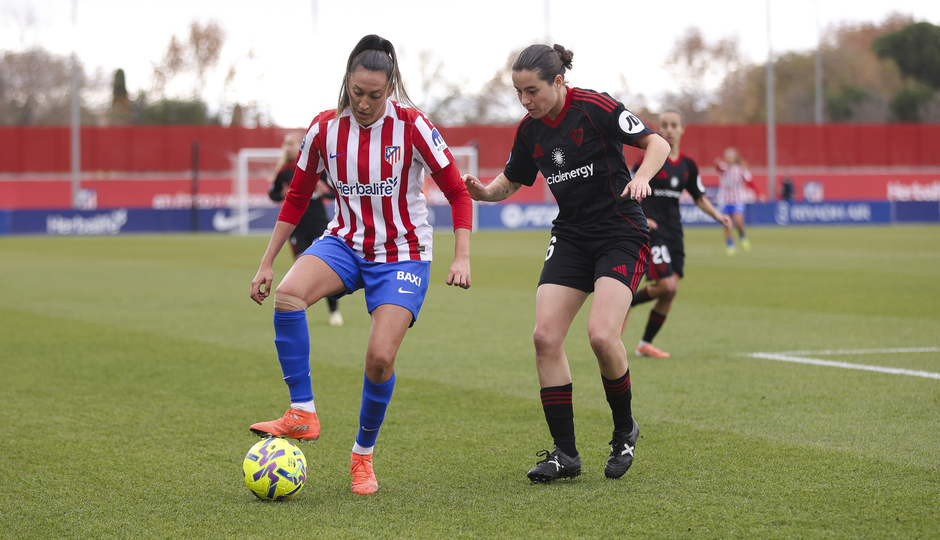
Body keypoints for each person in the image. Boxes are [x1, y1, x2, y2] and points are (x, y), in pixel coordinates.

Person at [249, 34, 473, 495]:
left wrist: (462, 255)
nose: (365, 103)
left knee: (379, 358)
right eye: (357, 93)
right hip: (345, 242)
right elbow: (295, 196)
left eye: (375, 95)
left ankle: (362, 456)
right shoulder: (324, 129)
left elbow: (457, 190)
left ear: (390, 88)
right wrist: (267, 262)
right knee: (289, 296)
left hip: (404, 253)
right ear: (346, 84)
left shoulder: (413, 126)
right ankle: (302, 412)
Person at [463, 43, 669, 483]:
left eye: (532, 90)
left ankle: (623, 430)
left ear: (558, 81)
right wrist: (483, 192)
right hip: (572, 237)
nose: (525, 101)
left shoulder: (594, 107)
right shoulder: (529, 130)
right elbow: (511, 181)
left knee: (600, 335)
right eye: (518, 92)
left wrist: (642, 177)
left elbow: (657, 142)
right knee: (545, 336)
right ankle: (565, 454)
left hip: (619, 233)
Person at [627, 110, 732, 358]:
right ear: (658, 129)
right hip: (653, 231)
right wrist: (641, 217)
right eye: (664, 125)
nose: (669, 130)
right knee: (666, 284)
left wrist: (718, 216)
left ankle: (644, 344)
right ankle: (628, 301)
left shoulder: (687, 165)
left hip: (675, 232)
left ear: (683, 129)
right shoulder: (648, 160)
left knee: (671, 291)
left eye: (674, 125)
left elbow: (698, 198)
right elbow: (632, 190)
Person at [268, 132, 343, 326]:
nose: (287, 147)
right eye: (285, 143)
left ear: (302, 145)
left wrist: (324, 192)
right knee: (303, 268)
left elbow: (338, 192)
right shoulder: (284, 172)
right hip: (297, 228)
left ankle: (334, 311)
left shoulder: (317, 168)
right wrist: (282, 194)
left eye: (291, 143)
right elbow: (273, 194)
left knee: (326, 271)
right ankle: (297, 309)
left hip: (319, 224)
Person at [715, 147, 764, 255]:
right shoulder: (723, 168)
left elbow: (750, 182)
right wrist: (717, 163)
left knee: (738, 222)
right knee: (727, 224)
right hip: (725, 200)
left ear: (735, 158)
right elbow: (718, 167)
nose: (728, 159)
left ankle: (742, 237)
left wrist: (759, 193)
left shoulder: (741, 169)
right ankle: (730, 245)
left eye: (731, 156)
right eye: (727, 156)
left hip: (737, 200)